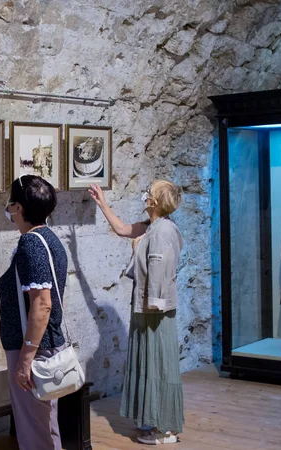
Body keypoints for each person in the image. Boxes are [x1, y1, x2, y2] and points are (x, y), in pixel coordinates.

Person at [89, 180, 184, 445]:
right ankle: (155, 422)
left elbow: (158, 270)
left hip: (154, 310)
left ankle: (164, 429)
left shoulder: (161, 232)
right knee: (152, 364)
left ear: (154, 201)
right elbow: (122, 229)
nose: (145, 195)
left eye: (149, 192)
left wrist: (152, 303)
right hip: (148, 308)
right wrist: (102, 202)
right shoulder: (154, 227)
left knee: (158, 365)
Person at [0, 174, 68, 450]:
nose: (9, 207)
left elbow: (42, 303)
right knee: (45, 429)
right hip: (42, 347)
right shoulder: (48, 238)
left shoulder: (32, 244)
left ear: (18, 208)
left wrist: (25, 358)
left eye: (12, 201)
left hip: (34, 350)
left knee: (35, 435)